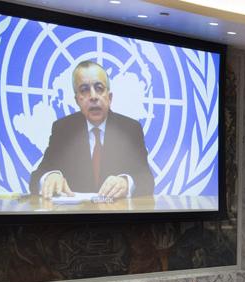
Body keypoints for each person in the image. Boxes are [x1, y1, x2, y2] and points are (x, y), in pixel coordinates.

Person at [29, 60, 154, 198]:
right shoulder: (63, 129)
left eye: (99, 88)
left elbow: (146, 179)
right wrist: (49, 177)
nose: (93, 96)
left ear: (109, 97)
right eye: (84, 90)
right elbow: (36, 178)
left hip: (117, 211)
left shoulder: (130, 129)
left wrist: (126, 183)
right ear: (77, 100)